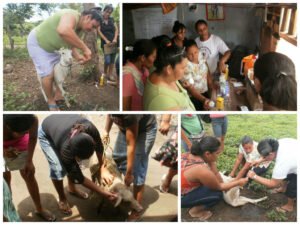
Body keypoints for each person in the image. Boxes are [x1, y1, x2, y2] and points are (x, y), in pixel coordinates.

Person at [38, 115, 117, 215]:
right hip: (46, 132)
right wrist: (103, 192)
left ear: (92, 141)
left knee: (75, 167)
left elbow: (100, 148)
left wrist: (102, 167)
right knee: (58, 169)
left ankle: (72, 188)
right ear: (73, 153)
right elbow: (79, 177)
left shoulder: (90, 129)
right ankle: (62, 198)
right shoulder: (66, 150)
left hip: (59, 122)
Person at [27, 8, 102, 111]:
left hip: (56, 49)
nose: (93, 29)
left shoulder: (80, 29)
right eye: (93, 26)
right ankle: (50, 101)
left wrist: (78, 57)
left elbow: (70, 43)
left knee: (63, 68)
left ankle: (58, 94)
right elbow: (63, 30)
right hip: (39, 45)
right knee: (48, 75)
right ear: (88, 17)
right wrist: (85, 48)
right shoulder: (71, 15)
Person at [103, 115, 157, 221]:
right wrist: (106, 130)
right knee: (118, 157)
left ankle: (136, 210)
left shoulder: (129, 115)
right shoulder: (118, 113)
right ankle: (123, 191)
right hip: (126, 129)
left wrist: (129, 173)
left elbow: (130, 146)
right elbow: (110, 114)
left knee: (137, 170)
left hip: (144, 131)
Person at [181, 136, 248, 220]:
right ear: (207, 154)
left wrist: (212, 162)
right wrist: (238, 182)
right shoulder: (201, 169)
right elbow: (219, 187)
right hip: (181, 198)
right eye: (217, 153)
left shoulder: (190, 154)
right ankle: (195, 211)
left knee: (215, 185)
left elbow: (216, 173)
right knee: (217, 194)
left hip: (180, 189)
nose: (218, 156)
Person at [3, 114, 56, 221]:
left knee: (29, 175)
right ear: (8, 127)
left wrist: (29, 160)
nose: (25, 133)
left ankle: (39, 208)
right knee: (5, 180)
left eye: (26, 131)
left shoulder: (32, 119)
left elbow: (32, 137)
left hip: (21, 145)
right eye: (21, 132)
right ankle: (8, 209)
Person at [247, 138, 297, 213]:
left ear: (271, 154)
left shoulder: (282, 162)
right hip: (295, 158)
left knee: (292, 187)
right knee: (285, 175)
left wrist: (254, 176)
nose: (263, 158)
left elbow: (273, 184)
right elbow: (269, 155)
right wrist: (260, 160)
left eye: (263, 157)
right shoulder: (276, 144)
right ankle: (283, 188)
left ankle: (289, 206)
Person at [143, 45, 195, 111]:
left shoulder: (164, 72)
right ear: (169, 69)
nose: (186, 70)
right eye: (183, 68)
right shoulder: (162, 100)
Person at [123, 39, 157, 110]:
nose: (155, 60)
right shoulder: (127, 76)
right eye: (153, 57)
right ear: (143, 58)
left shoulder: (145, 70)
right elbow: (125, 109)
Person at [181, 40, 214, 110]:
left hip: (205, 93)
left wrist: (211, 87)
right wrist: (203, 100)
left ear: (198, 50)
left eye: (196, 52)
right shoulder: (186, 66)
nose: (194, 55)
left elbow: (207, 70)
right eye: (190, 54)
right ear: (186, 54)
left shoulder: (201, 56)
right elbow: (190, 88)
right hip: (194, 97)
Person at [97, 4, 119, 82]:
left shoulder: (112, 19)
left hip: (113, 42)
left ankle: (110, 74)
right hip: (105, 43)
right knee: (107, 60)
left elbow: (116, 30)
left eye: (110, 12)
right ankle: (105, 73)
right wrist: (106, 40)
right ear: (104, 11)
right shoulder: (100, 20)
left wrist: (115, 38)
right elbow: (99, 31)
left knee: (112, 59)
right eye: (107, 12)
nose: (108, 14)